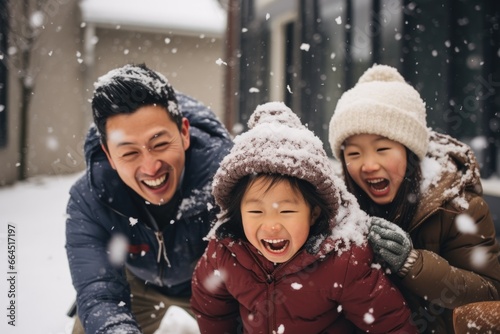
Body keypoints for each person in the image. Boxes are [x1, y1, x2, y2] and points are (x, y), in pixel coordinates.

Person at [190, 101, 418, 333]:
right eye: (256, 212)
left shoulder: (342, 261)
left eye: (286, 211)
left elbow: (390, 324)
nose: (271, 225)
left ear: (314, 213)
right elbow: (210, 307)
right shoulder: (225, 253)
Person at [328, 64, 500, 333]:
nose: (369, 165)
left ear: (410, 152)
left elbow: (491, 296)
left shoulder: (460, 208)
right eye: (353, 154)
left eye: (382, 148)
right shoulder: (332, 210)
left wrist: (413, 264)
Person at [65, 63, 233, 334]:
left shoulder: (229, 182)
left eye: (160, 144)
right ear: (109, 155)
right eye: (129, 153)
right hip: (137, 285)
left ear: (184, 133)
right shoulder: (90, 199)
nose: (151, 166)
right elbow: (99, 293)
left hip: (215, 283)